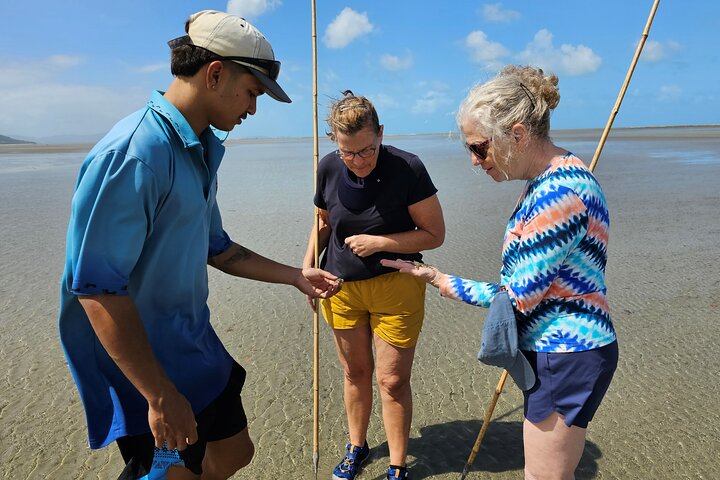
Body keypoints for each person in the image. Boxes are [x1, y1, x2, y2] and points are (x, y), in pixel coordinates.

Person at [58, 10, 341, 480]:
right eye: (253, 93)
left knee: (234, 452)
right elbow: (95, 289)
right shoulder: (135, 153)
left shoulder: (198, 148)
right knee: (173, 472)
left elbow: (219, 249)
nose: (252, 109)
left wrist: (295, 275)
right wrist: (159, 395)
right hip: (148, 365)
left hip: (194, 345)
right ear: (215, 74)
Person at [382, 65, 618, 480]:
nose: (475, 161)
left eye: (479, 147)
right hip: (570, 348)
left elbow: (516, 298)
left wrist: (440, 280)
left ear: (518, 134)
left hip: (565, 352)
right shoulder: (558, 175)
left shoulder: (558, 194)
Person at [303, 91, 445, 480]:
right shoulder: (328, 167)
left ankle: (398, 463)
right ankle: (357, 446)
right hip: (340, 287)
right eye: (349, 152)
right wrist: (306, 270)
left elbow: (434, 234)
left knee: (393, 380)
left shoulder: (408, 168)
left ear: (380, 133)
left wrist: (381, 242)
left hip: (396, 287)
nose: (359, 161)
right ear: (335, 142)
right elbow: (322, 222)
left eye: (367, 149)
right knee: (355, 373)